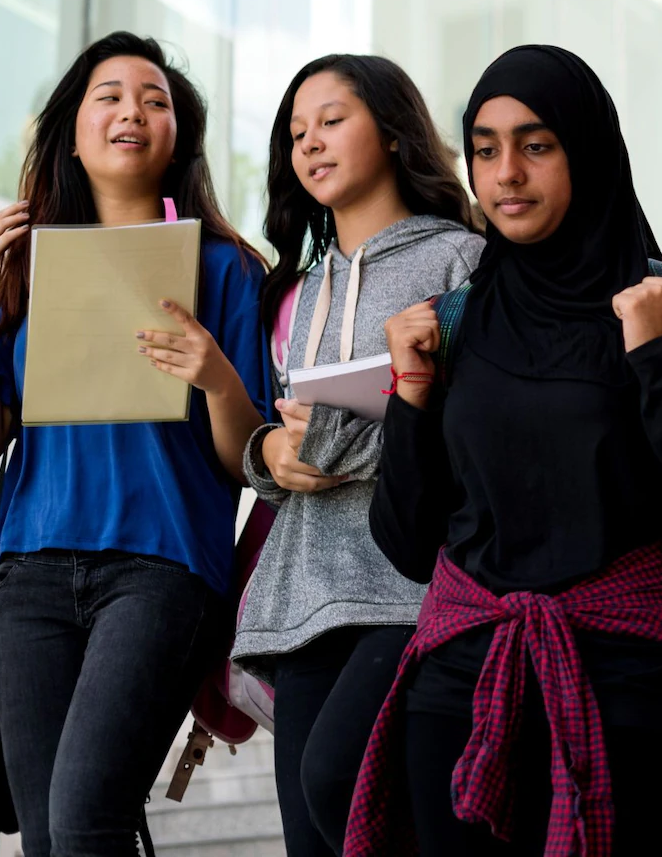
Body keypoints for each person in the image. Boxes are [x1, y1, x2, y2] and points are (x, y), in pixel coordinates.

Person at [344, 45, 662, 855]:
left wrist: (654, 362)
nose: (506, 172)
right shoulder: (455, 320)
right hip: (460, 686)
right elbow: (406, 542)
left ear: (588, 149)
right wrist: (409, 393)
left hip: (631, 690)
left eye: (536, 145)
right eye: (485, 147)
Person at [0, 31, 271, 857]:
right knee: (51, 838)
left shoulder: (226, 267)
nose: (133, 110)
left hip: (160, 572)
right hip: (30, 574)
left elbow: (247, 462)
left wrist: (218, 378)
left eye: (155, 100)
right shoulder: (29, 268)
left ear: (177, 136)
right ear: (74, 128)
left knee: (87, 824)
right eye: (111, 95)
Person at [234, 54, 483, 857]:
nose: (310, 142)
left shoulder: (460, 260)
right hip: (305, 594)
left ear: (392, 130)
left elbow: (476, 428)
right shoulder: (303, 292)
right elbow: (284, 452)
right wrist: (270, 453)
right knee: (309, 834)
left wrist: (342, 440)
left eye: (332, 119)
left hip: (411, 588)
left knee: (341, 782)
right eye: (296, 132)